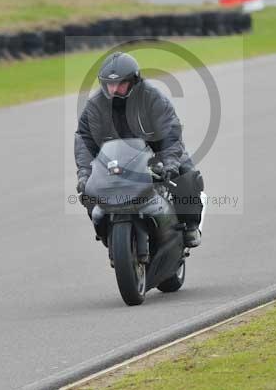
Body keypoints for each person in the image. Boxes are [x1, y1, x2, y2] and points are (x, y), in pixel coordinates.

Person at [74, 52, 205, 247]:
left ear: (134, 81)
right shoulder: (95, 106)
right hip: (116, 158)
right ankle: (108, 234)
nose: (115, 90)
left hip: (156, 154)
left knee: (186, 174)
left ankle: (190, 226)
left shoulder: (152, 97)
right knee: (89, 190)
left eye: (121, 84)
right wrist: (84, 174)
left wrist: (170, 163)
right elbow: (85, 140)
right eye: (110, 85)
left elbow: (170, 132)